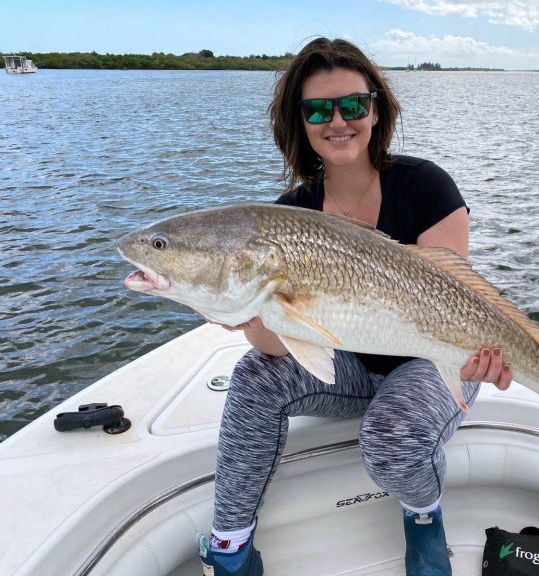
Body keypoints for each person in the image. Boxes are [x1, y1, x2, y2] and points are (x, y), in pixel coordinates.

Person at [197, 37, 513, 576]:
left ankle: (422, 514)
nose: (337, 121)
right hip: (347, 364)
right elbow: (278, 344)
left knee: (391, 436)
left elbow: (454, 304)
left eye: (353, 105)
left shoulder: (427, 186)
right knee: (252, 374)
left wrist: (486, 357)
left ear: (376, 110)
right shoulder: (289, 216)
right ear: (299, 122)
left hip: (436, 359)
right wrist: (254, 313)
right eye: (318, 109)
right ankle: (230, 545)